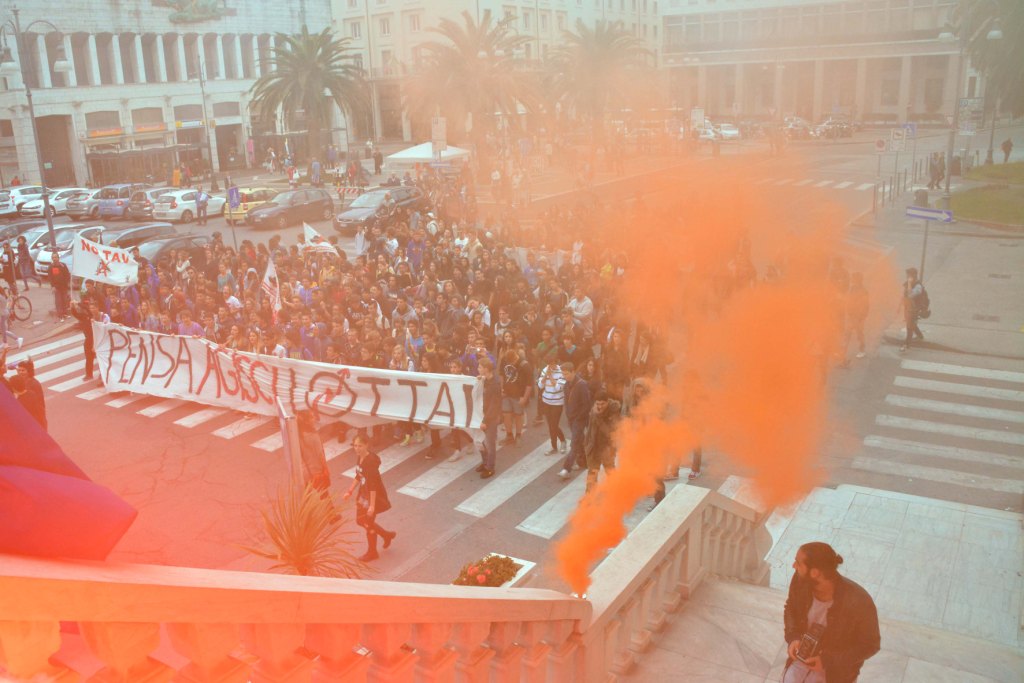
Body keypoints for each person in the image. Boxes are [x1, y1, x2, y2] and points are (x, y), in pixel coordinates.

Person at [783, 542, 880, 683]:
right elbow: (791, 607)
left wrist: (828, 661)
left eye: (798, 563)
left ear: (815, 573)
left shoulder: (859, 601)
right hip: (801, 661)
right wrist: (793, 637)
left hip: (835, 673)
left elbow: (870, 645)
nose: (794, 566)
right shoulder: (800, 581)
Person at [343, 433, 396, 562]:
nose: (357, 448)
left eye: (360, 446)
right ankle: (386, 535)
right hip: (364, 494)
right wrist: (350, 491)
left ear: (366, 445)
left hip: (373, 496)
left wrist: (372, 506)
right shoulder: (360, 457)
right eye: (355, 445)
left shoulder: (370, 462)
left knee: (367, 522)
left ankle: (372, 552)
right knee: (361, 520)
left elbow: (373, 485)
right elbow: (359, 475)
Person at [558, 361, 591, 479]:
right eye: (563, 374)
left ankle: (566, 468)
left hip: (579, 419)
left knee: (574, 443)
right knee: (580, 440)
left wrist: (578, 417)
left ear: (573, 372)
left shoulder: (582, 385)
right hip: (571, 419)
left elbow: (587, 404)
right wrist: (568, 415)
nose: (564, 376)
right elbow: (566, 402)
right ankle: (584, 462)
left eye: (566, 374)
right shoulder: (566, 385)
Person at [583, 390, 619, 493]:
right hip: (593, 447)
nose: (599, 406)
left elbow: (609, 432)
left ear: (607, 402)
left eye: (602, 404)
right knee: (592, 474)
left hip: (607, 448)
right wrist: (586, 444)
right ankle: (589, 497)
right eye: (597, 403)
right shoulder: (594, 410)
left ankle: (617, 492)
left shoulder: (614, 412)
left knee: (610, 472)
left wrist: (598, 417)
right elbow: (590, 428)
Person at [537, 353, 568, 455]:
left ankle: (563, 441)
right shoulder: (545, 370)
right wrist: (546, 376)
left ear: (556, 362)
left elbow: (558, 388)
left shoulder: (561, 371)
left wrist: (550, 377)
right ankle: (554, 446)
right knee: (551, 425)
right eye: (549, 364)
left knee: (554, 425)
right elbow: (540, 386)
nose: (551, 366)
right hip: (546, 401)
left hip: (557, 403)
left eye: (553, 364)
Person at [477, 355, 501, 479]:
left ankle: (490, 468)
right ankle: (485, 462)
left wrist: (485, 421)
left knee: (490, 444)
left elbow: (494, 405)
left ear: (486, 369)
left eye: (480, 367)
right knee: (481, 441)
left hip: (490, 418)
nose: (478, 369)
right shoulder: (485, 380)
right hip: (483, 416)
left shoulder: (495, 384)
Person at [296, 409, 330, 495]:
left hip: (305, 473)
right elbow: (320, 454)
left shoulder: (297, 435)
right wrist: (326, 468)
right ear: (306, 422)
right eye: (311, 417)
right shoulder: (312, 435)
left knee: (308, 497)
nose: (314, 419)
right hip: (317, 472)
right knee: (324, 496)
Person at [69, 299, 100, 381]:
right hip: (88, 340)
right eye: (91, 308)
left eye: (93, 308)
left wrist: (78, 303)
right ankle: (89, 374)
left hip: (97, 340)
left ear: (97, 308)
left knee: (101, 358)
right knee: (89, 358)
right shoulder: (85, 317)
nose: (91, 310)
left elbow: (87, 309)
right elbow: (77, 315)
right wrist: (72, 308)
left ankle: (102, 374)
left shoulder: (96, 316)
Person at [900, 267, 924, 352]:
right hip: (908, 308)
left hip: (914, 309)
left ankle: (906, 345)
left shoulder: (918, 286)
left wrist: (909, 283)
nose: (907, 277)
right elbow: (904, 295)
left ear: (914, 275)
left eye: (909, 275)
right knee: (911, 324)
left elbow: (910, 295)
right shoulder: (908, 283)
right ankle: (920, 336)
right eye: (907, 275)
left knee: (909, 327)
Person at [47, 252, 71, 321]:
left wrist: (67, 283)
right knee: (58, 302)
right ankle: (60, 316)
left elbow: (67, 274)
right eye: (53, 257)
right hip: (56, 287)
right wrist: (53, 286)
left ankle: (65, 313)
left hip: (64, 286)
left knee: (64, 300)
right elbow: (50, 278)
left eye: (55, 257)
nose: (54, 259)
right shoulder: (51, 267)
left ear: (58, 258)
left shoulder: (63, 265)